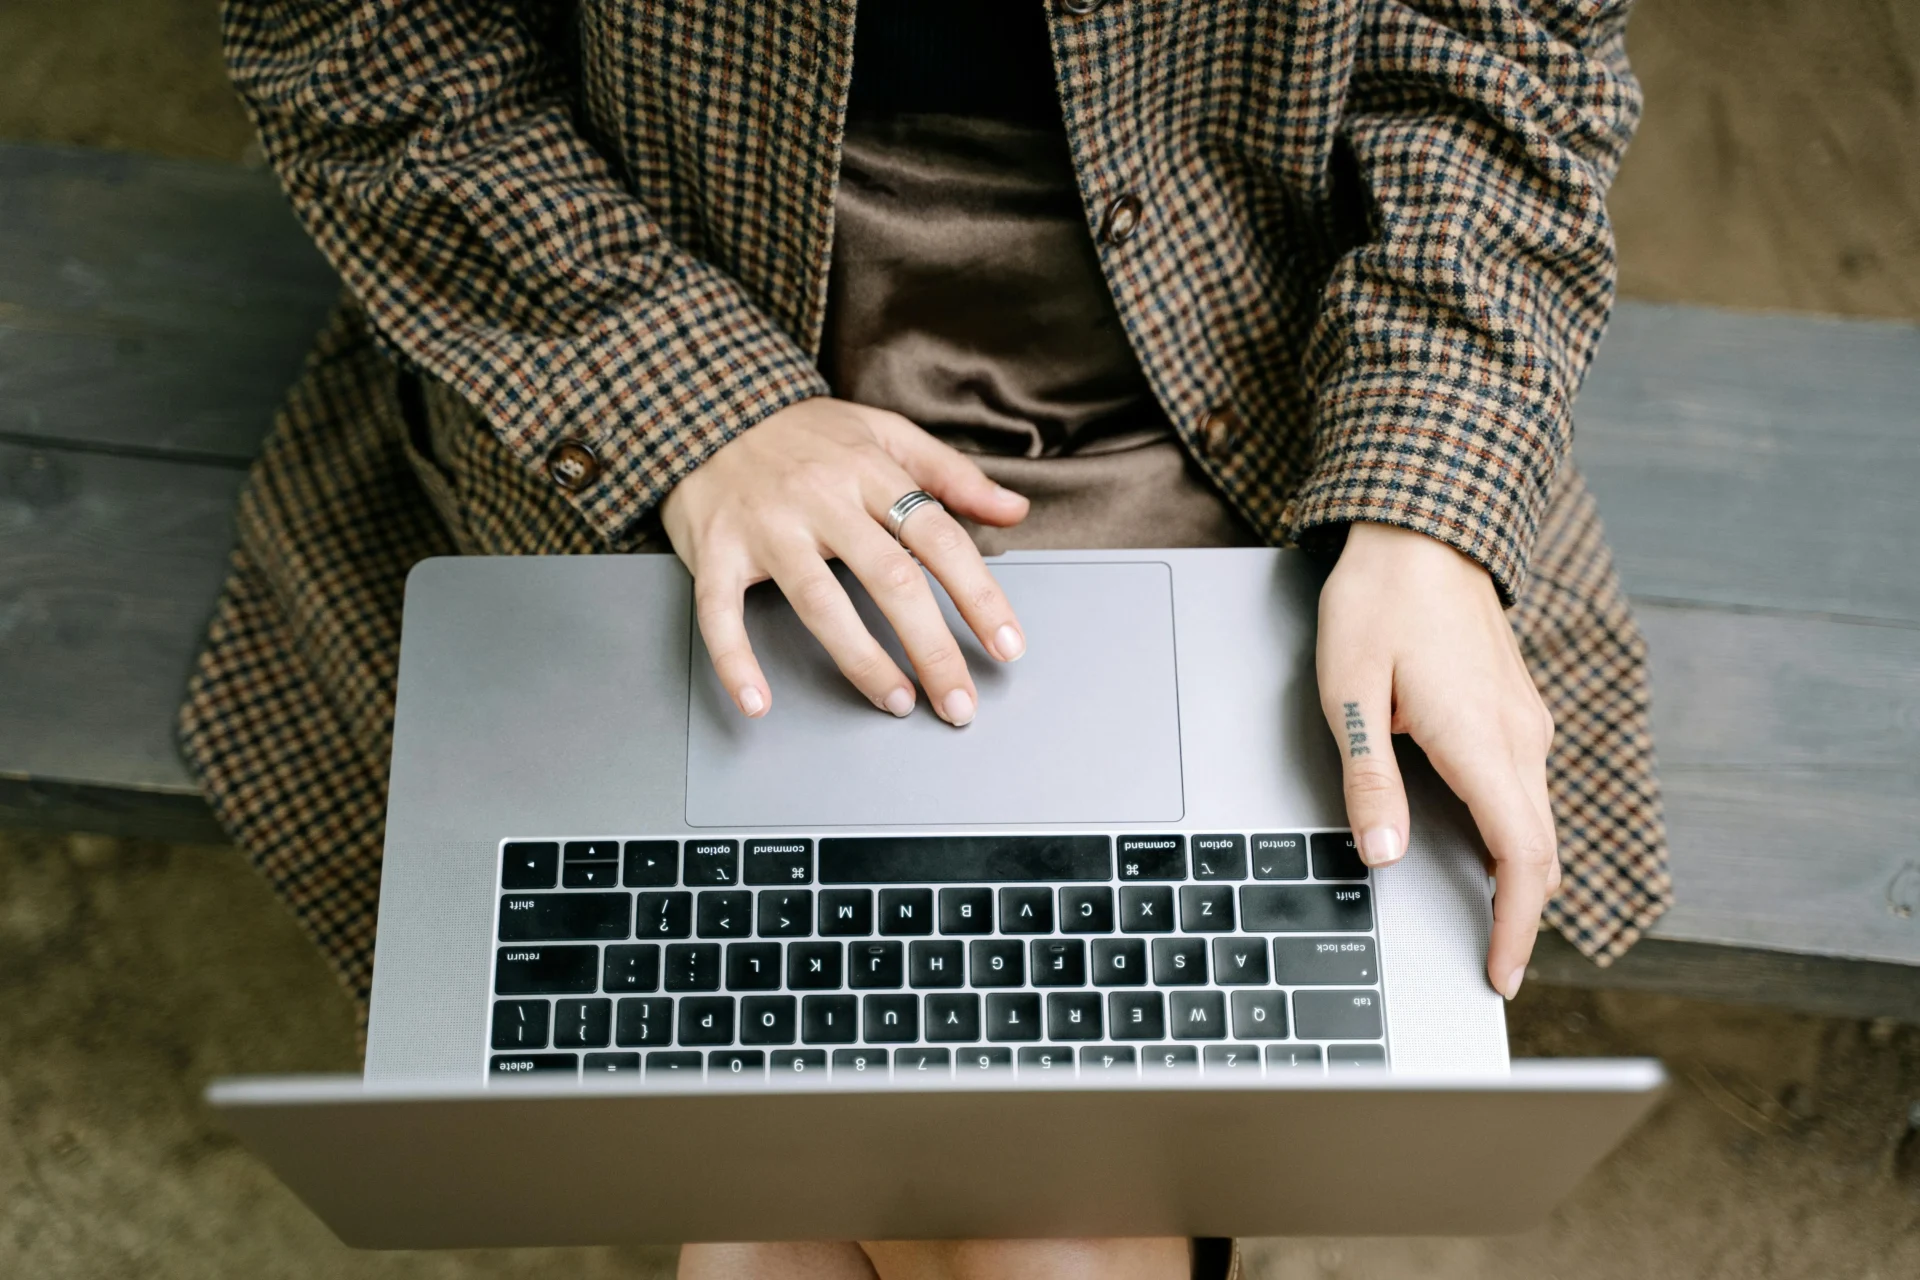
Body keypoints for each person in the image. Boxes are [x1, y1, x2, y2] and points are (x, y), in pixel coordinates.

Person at [185, 2, 1671, 1277]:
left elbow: (1508, 58)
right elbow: (358, 40)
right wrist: (691, 403)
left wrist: (1419, 504)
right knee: (1002, 1202)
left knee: (848, 1202)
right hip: (663, 275)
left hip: (1239, 364)